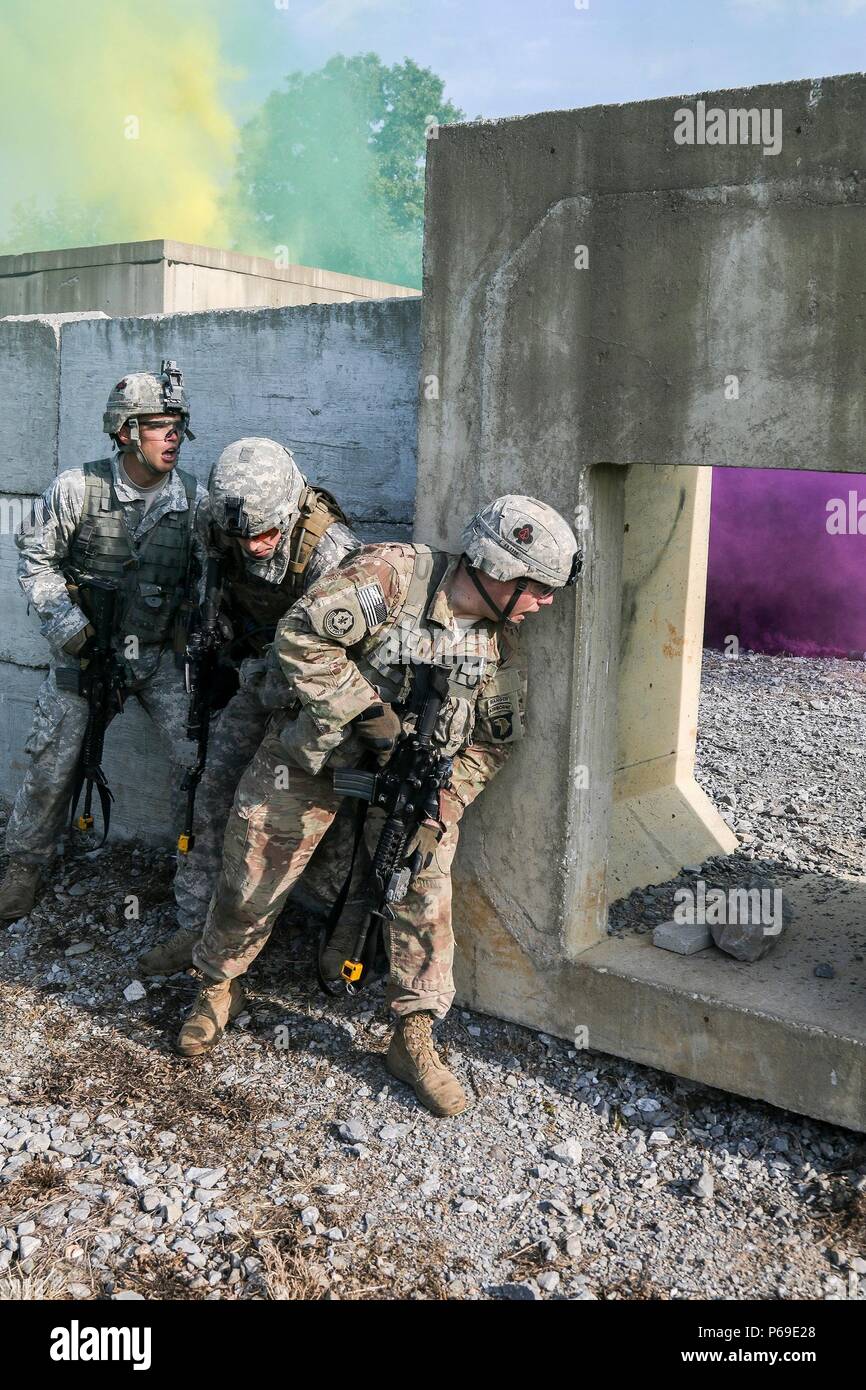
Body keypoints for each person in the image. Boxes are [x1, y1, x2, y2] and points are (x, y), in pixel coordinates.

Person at [175, 495, 580, 1118]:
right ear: (501, 571)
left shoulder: (499, 647)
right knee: (253, 868)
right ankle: (217, 985)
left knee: (424, 886)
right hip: (310, 758)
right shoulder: (392, 577)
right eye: (539, 588)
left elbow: (491, 744)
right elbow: (301, 635)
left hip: (407, 784)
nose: (544, 603)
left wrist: (443, 804)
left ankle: (413, 1035)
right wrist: (366, 712)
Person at [140, 436, 362, 973]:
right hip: (253, 677)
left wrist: (259, 676)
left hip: (320, 693)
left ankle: (345, 927)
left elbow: (343, 656)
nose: (254, 546)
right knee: (209, 786)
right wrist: (209, 654)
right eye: (244, 536)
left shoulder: (331, 552)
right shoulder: (217, 524)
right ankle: (197, 926)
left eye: (265, 534)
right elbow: (207, 589)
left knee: (321, 812)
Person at [0, 363, 206, 923]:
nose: (174, 437)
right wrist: (72, 631)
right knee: (51, 760)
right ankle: (24, 863)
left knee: (198, 762)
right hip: (86, 655)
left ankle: (195, 877)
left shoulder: (195, 500)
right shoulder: (77, 489)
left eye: (178, 425)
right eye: (160, 425)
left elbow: (206, 584)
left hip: (159, 658)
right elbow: (37, 564)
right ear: (124, 433)